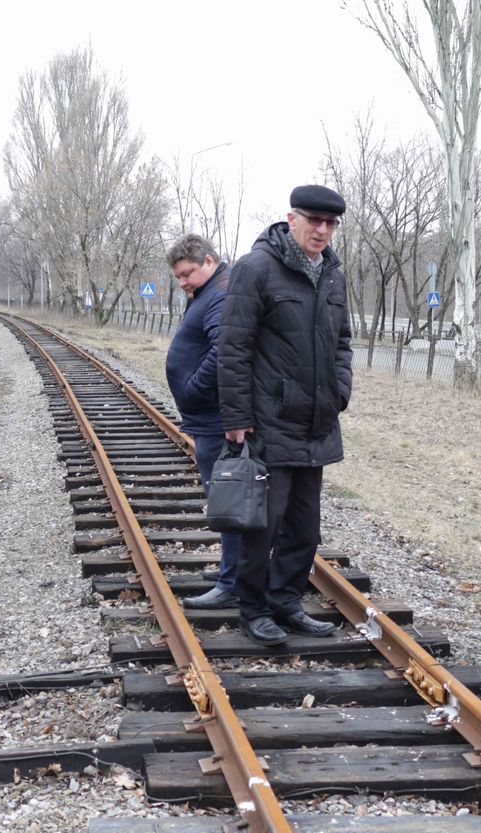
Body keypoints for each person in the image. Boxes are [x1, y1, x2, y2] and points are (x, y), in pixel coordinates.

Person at [217, 185, 353, 646]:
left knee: (304, 526)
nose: (322, 230)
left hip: (316, 421)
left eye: (331, 223)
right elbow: (233, 347)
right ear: (291, 218)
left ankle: (287, 601)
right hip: (268, 420)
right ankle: (253, 609)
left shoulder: (333, 273)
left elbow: (343, 342)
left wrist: (340, 392)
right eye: (314, 220)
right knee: (263, 524)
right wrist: (236, 415)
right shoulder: (256, 269)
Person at [163, 234, 238, 611]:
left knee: (228, 500)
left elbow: (223, 353)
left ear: (209, 261)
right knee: (222, 497)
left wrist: (191, 389)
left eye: (187, 274)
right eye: (177, 277)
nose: (182, 283)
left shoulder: (221, 294)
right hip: (208, 418)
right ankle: (230, 569)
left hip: (215, 418)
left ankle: (232, 582)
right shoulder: (207, 292)